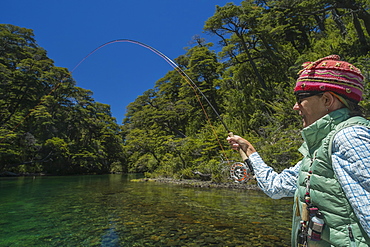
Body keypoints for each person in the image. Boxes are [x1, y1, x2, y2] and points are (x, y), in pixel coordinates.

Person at [227, 55, 370, 246]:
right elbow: (275, 187)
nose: (295, 107)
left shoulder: (350, 137)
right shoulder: (319, 149)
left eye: (300, 99)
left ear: (327, 100)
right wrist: (249, 149)